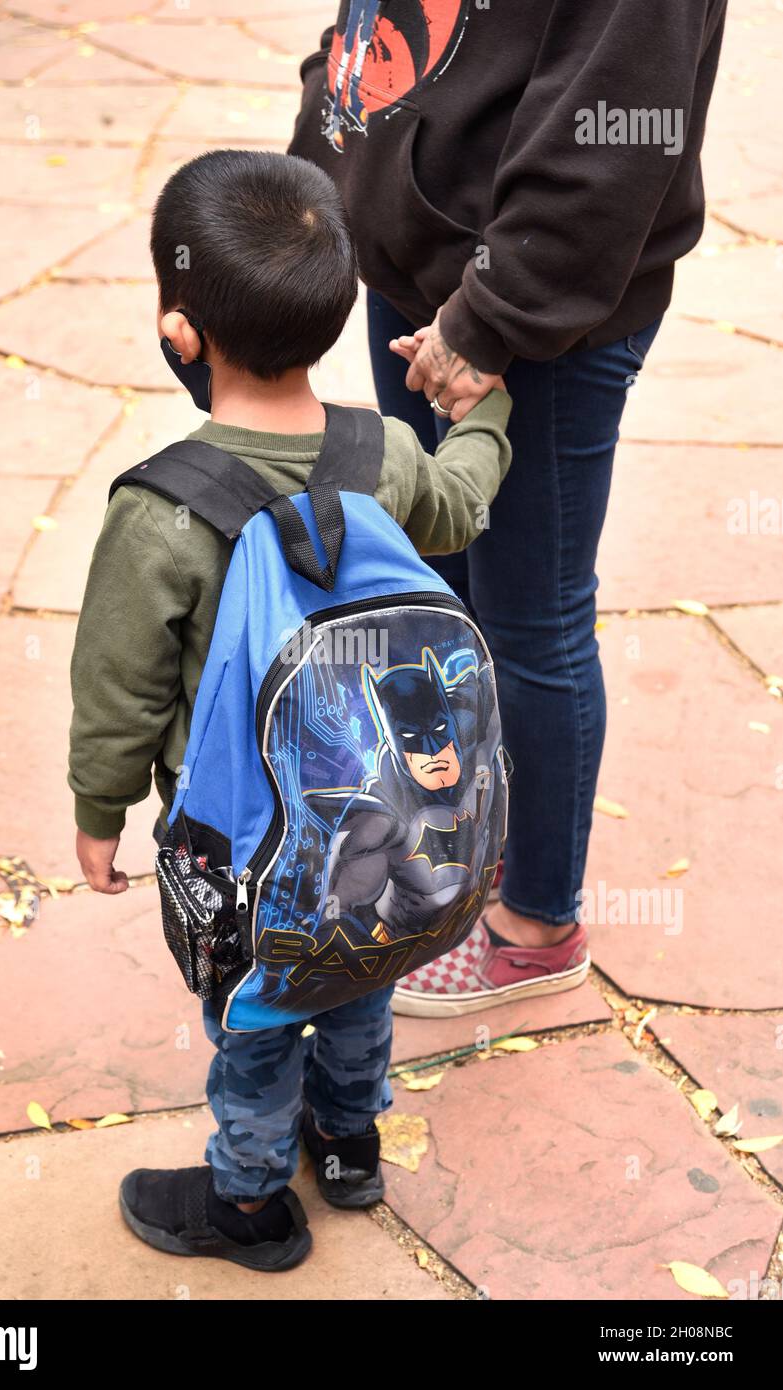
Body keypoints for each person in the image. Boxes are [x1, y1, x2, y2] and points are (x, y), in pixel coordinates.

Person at [67, 149, 511, 1270]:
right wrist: (488, 407)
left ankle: (253, 1203)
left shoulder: (162, 511)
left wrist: (97, 807)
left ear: (181, 333)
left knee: (258, 1017)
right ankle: (351, 1142)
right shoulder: (383, 454)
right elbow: (460, 504)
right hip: (384, 835)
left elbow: (118, 688)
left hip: (244, 855)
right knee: (359, 972)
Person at [289, 0, 727, 1017]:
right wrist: (324, 160)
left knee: (532, 619)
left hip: (540, 314)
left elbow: (621, 123)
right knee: (438, 578)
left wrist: (490, 320)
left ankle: (538, 924)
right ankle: (457, 853)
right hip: (414, 259)